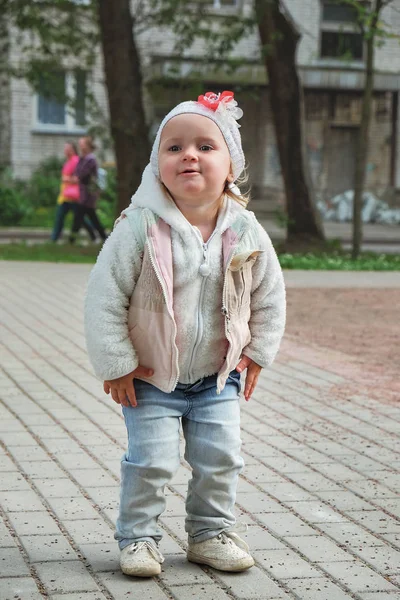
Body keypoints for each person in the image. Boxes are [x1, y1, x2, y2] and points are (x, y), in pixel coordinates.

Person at [84, 91, 286, 578]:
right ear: (158, 165)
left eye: (204, 146)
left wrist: (257, 352)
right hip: (151, 376)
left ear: (230, 165)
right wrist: (117, 364)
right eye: (173, 148)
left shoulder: (247, 231)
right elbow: (103, 296)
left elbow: (269, 294)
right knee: (150, 462)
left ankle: (210, 532)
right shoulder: (139, 228)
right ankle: (138, 539)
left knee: (220, 459)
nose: (188, 155)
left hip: (217, 378)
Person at [51, 141, 96, 242]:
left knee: (78, 218)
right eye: (65, 148)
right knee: (68, 218)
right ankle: (55, 239)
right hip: (66, 195)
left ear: (73, 150)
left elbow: (79, 177)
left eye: (68, 149)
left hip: (74, 196)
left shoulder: (75, 161)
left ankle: (93, 235)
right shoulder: (68, 161)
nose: (66, 151)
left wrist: (66, 179)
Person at [69, 136, 107, 243]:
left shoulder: (91, 160)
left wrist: (75, 178)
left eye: (82, 144)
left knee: (80, 216)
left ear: (88, 146)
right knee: (91, 217)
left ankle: (72, 239)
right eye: (79, 143)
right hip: (83, 193)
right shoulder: (83, 158)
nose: (80, 146)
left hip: (88, 194)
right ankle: (103, 237)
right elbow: (76, 172)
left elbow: (82, 174)